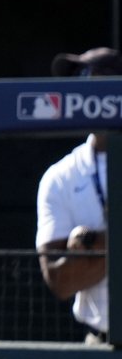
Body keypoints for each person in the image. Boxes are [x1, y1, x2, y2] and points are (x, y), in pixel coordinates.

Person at [37, 46, 122, 344]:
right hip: (101, 340)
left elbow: (75, 268)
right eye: (77, 79)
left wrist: (90, 248)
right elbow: (61, 282)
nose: (80, 91)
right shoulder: (60, 177)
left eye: (90, 78)